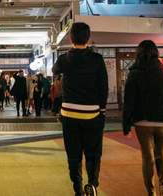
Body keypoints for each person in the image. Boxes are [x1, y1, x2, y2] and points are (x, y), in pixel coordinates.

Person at [53, 22, 108, 196]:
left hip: (69, 113)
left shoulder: (64, 59)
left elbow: (55, 70)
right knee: (93, 153)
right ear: (88, 37)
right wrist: (102, 110)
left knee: (74, 155)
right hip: (92, 113)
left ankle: (77, 188)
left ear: (71, 38)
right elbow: (103, 87)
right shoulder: (97, 59)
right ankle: (92, 183)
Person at [123, 40, 163, 196]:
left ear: (139, 54)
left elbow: (129, 102)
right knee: (161, 153)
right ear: (156, 54)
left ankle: (151, 192)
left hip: (142, 122)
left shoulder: (134, 74)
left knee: (147, 157)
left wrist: (126, 124)